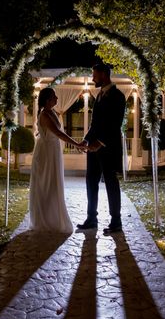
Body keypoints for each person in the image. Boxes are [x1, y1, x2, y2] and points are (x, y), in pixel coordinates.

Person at [77, 63, 127, 234]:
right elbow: (95, 124)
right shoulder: (98, 95)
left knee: (111, 183)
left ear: (104, 74)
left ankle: (116, 221)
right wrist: (86, 140)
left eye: (95, 75)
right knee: (91, 181)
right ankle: (91, 218)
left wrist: (100, 142)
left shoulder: (118, 96)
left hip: (108, 148)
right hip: (93, 149)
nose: (92, 79)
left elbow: (115, 124)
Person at [29, 87, 85, 233]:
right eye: (54, 97)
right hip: (46, 154)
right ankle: (45, 220)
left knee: (53, 184)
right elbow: (59, 133)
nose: (57, 99)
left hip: (53, 151)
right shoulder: (44, 115)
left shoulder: (52, 112)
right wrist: (76, 144)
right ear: (48, 100)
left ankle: (53, 217)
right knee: (46, 184)